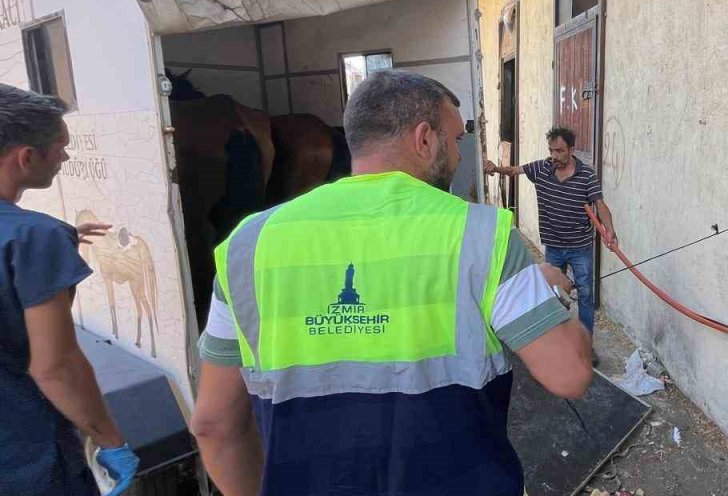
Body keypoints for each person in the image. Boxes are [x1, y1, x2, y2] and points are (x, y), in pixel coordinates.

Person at [190, 71, 593, 496]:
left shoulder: (247, 246)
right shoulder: (481, 234)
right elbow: (569, 375)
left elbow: (213, 426)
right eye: (456, 140)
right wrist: (546, 291)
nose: (459, 156)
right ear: (425, 139)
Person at [0, 84, 139, 496]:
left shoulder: (31, 239)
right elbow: (55, 367)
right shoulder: (34, 238)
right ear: (26, 157)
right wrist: (111, 441)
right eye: (60, 147)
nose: (65, 157)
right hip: (26, 459)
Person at [485, 128, 617, 347]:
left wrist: (609, 230)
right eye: (551, 150)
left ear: (571, 150)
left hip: (580, 247)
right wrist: (496, 168)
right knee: (552, 295)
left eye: (560, 151)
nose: (554, 156)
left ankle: (585, 345)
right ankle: (558, 342)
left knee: (585, 295)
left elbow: (600, 205)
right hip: (553, 247)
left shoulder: (586, 175)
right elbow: (514, 170)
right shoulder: (542, 168)